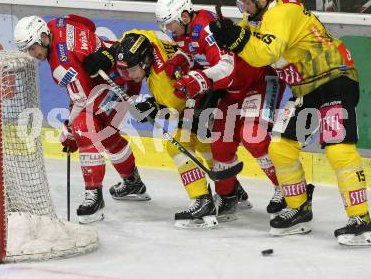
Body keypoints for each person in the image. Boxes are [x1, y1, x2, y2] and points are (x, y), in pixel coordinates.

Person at [208, 0, 371, 246]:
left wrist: (235, 38)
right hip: (307, 89)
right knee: (281, 147)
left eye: (246, 3)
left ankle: (361, 220)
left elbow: (265, 54)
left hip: (336, 79)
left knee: (338, 148)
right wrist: (231, 36)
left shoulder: (280, 13)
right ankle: (298, 208)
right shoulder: (259, 17)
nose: (244, 9)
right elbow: (252, 54)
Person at [84, 29, 251, 228]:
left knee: (179, 144)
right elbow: (129, 38)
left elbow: (174, 111)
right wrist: (107, 56)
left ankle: (202, 201)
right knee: (204, 142)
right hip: (211, 84)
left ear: (145, 62)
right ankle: (232, 190)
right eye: (123, 70)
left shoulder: (163, 83)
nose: (126, 76)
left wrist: (152, 108)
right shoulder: (144, 40)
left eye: (131, 70)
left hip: (204, 97)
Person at [155, 0, 286, 219]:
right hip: (232, 88)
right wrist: (179, 61)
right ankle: (227, 198)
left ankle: (287, 188)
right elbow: (192, 52)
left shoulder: (207, 30)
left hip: (258, 82)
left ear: (185, 16)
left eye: (170, 24)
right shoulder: (190, 28)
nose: (168, 30)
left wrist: (197, 80)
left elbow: (227, 67)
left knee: (253, 137)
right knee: (221, 144)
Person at [13, 15, 151, 224]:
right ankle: (132, 183)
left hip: (112, 87)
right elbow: (89, 24)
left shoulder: (61, 64)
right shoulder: (59, 23)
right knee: (107, 134)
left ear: (43, 37)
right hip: (124, 75)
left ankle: (94, 196)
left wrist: (68, 132)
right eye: (27, 50)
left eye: (32, 48)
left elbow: (83, 100)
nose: (32, 54)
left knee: (82, 128)